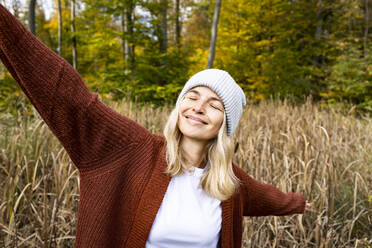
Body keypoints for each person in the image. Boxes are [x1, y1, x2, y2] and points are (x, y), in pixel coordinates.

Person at [0, 4, 309, 248]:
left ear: (224, 127)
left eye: (215, 105)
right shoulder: (129, 149)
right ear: (179, 106)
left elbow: (268, 197)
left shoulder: (228, 182)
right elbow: (66, 95)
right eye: (192, 96)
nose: (199, 107)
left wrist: (301, 203)